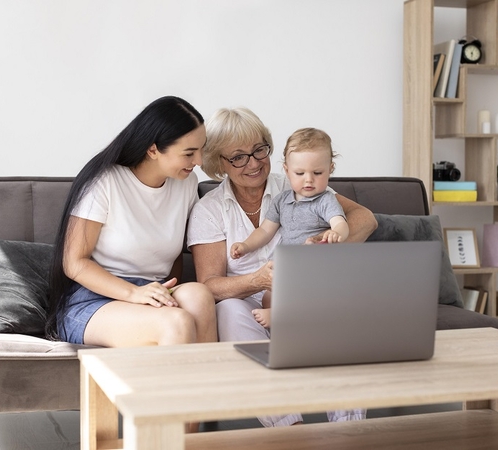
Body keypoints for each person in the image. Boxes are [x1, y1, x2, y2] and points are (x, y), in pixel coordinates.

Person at [187, 107, 377, 427]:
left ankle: (349, 429)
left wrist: (323, 247)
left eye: (260, 149)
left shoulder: (298, 184)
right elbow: (209, 284)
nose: (254, 163)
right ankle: (289, 428)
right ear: (219, 162)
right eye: (239, 157)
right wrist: (257, 280)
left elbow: (365, 220)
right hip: (250, 305)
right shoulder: (209, 210)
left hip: (303, 293)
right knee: (229, 310)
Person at [45, 95, 217, 353]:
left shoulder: (186, 184)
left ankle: (207, 392)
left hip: (151, 294)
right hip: (94, 299)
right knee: (176, 322)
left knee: (200, 297)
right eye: (189, 153)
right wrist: (133, 294)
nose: (199, 161)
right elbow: (74, 262)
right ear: (153, 149)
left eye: (201, 149)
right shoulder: (104, 182)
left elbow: (175, 258)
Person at [230, 127, 348, 328]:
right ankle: (280, 317)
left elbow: (341, 223)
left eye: (317, 172)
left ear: (331, 169)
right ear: (286, 170)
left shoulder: (325, 200)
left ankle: (282, 316)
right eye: (300, 173)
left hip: (315, 264)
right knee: (270, 294)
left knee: (307, 290)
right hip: (288, 264)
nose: (309, 179)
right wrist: (245, 246)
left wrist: (335, 233)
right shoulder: (281, 200)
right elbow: (265, 230)